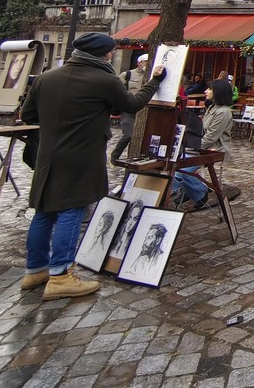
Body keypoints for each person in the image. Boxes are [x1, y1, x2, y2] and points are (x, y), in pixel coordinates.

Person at [19, 33, 164, 300]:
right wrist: (154, 80)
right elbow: (132, 104)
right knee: (72, 210)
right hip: (81, 154)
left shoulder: (46, 78)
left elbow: (28, 115)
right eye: (111, 51)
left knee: (43, 210)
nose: (112, 55)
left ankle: (35, 270)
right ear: (104, 54)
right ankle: (61, 276)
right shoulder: (103, 79)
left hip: (48, 154)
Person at [110, 53, 149, 165]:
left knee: (140, 135)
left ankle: (133, 156)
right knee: (129, 134)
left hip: (143, 109)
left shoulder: (150, 75)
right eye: (145, 61)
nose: (146, 64)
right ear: (139, 63)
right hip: (128, 108)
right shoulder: (127, 74)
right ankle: (115, 155)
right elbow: (116, 90)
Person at [201, 79, 234, 181]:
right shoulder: (212, 107)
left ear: (218, 91)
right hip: (206, 147)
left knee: (183, 168)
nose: (205, 91)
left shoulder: (223, 112)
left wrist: (193, 147)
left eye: (209, 89)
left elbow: (211, 136)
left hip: (217, 149)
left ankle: (199, 193)